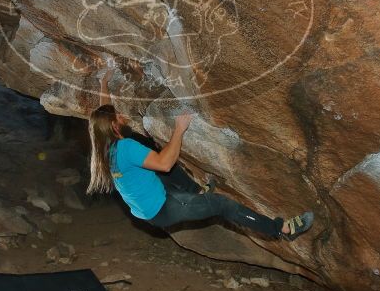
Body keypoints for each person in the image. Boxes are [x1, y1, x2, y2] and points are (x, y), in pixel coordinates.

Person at [87, 103, 314, 241]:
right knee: (221, 205)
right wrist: (179, 129)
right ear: (114, 126)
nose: (123, 116)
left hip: (147, 208)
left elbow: (102, 113)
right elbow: (165, 164)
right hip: (162, 209)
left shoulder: (103, 151)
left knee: (160, 160)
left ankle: (198, 190)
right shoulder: (126, 147)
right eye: (118, 116)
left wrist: (104, 82)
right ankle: (282, 228)